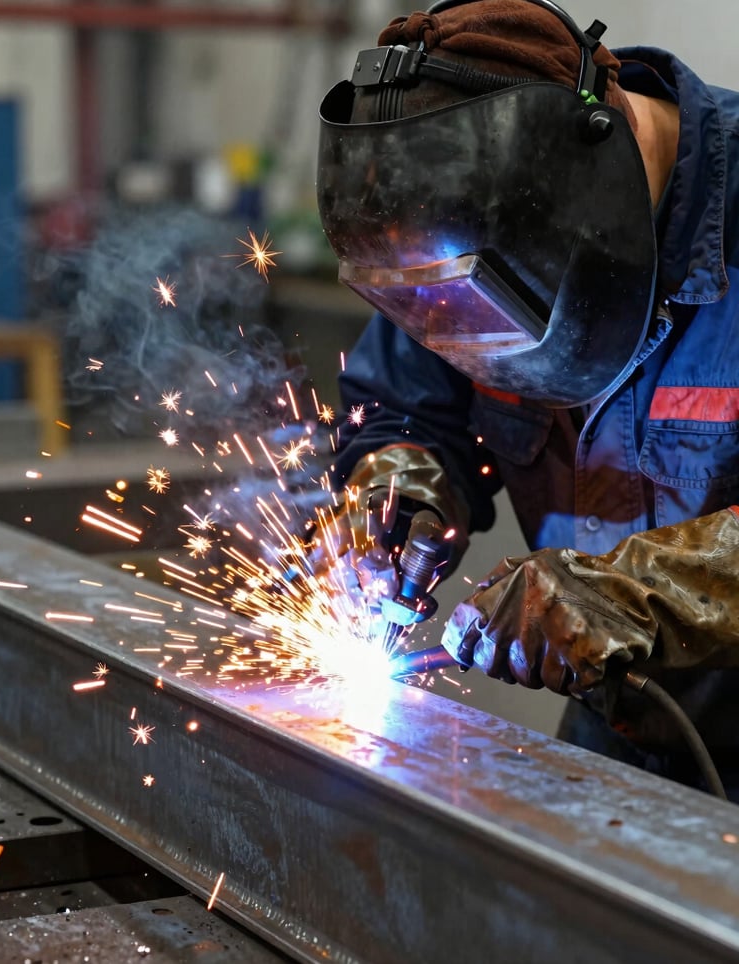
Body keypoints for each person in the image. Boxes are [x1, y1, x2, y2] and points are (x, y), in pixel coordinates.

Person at [312, 0, 739, 801]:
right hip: (618, 742)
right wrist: (397, 486)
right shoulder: (450, 233)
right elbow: (409, 405)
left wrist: (638, 592)